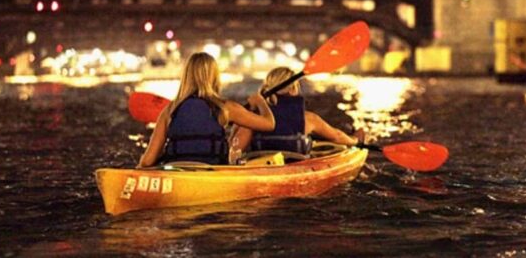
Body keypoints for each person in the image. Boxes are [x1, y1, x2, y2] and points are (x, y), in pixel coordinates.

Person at [137, 52, 276, 168]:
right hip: (211, 174)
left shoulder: (170, 110)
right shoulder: (226, 108)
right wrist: (261, 102)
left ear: (187, 77)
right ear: (214, 77)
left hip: (177, 173)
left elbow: (147, 161)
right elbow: (269, 124)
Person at [231, 67, 362, 157]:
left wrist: (238, 124)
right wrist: (355, 140)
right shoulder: (308, 119)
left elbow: (234, 151)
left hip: (262, 170)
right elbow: (337, 136)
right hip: (296, 169)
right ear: (294, 89)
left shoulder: (253, 119)